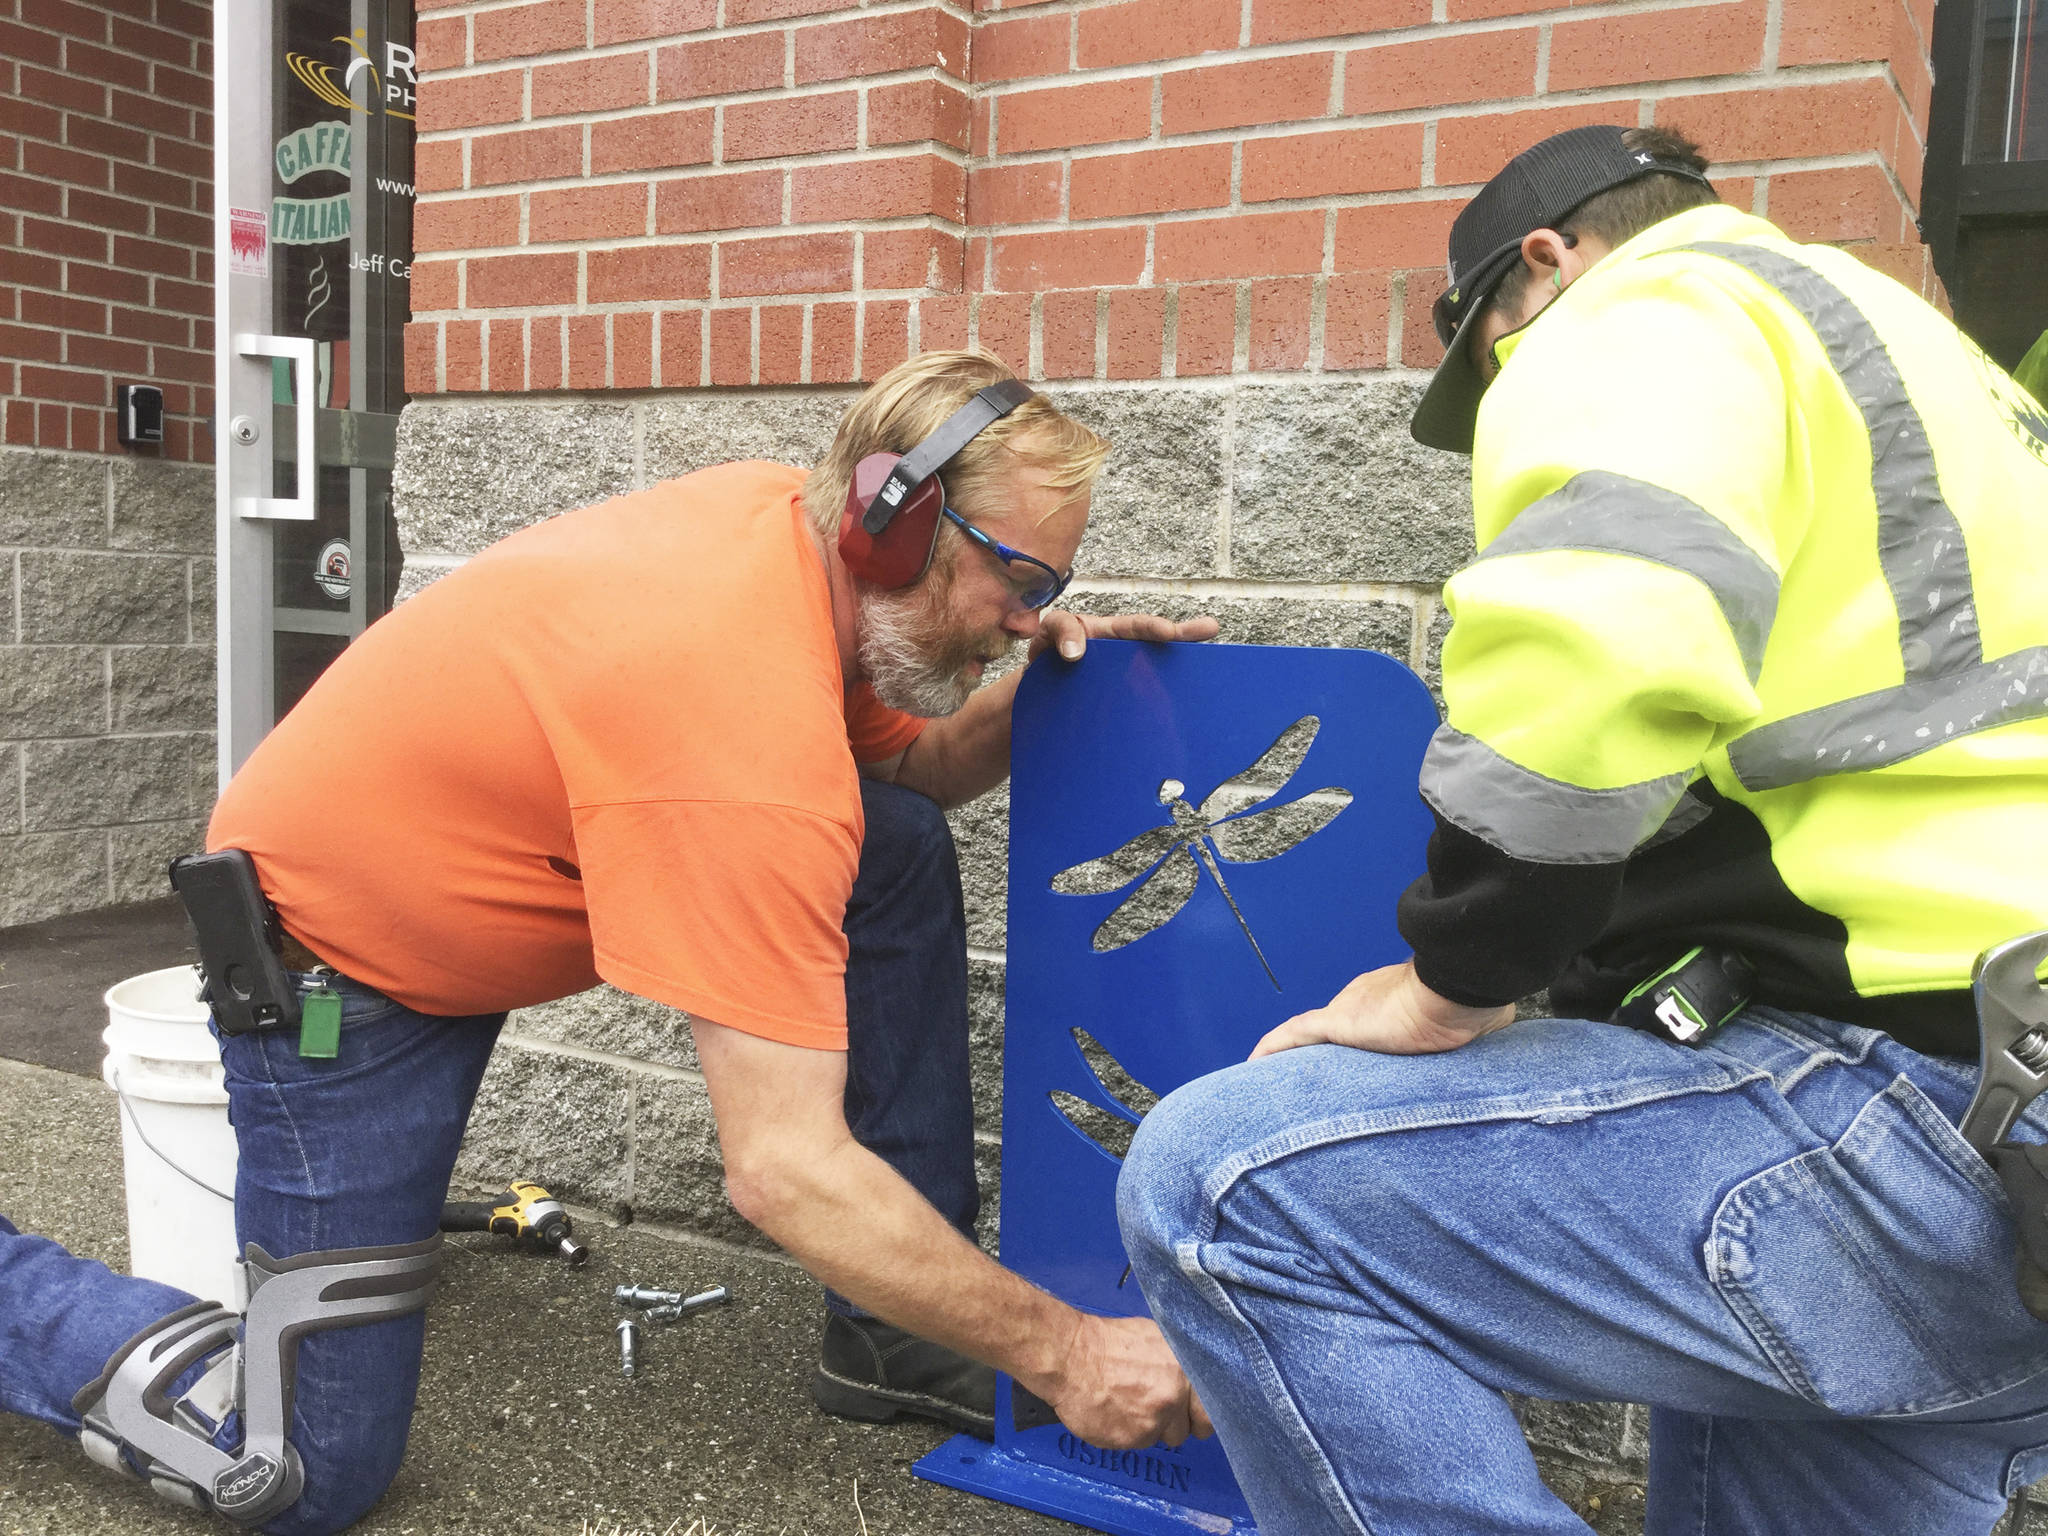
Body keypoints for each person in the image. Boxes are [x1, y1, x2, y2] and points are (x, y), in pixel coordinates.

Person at [0, 350, 1215, 1535]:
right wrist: (1066, 1353)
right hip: (335, 967)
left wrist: (1025, 704)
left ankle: (892, 1332)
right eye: (1018, 577)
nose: (1027, 620)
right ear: (890, 525)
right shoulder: (738, 727)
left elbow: (901, 771)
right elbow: (783, 1170)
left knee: (884, 840)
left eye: (1050, 586)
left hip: (447, 896)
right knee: (299, 1469)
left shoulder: (787, 540)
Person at [1118, 125, 2048, 1535]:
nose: (1508, 383)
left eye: (1491, 352)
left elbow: (1602, 646)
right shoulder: (1938, 366)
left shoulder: (1654, 307)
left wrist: (1453, 983)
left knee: (1226, 1185)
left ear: (1546, 261)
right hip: (2001, 1136)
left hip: (1910, 1111)